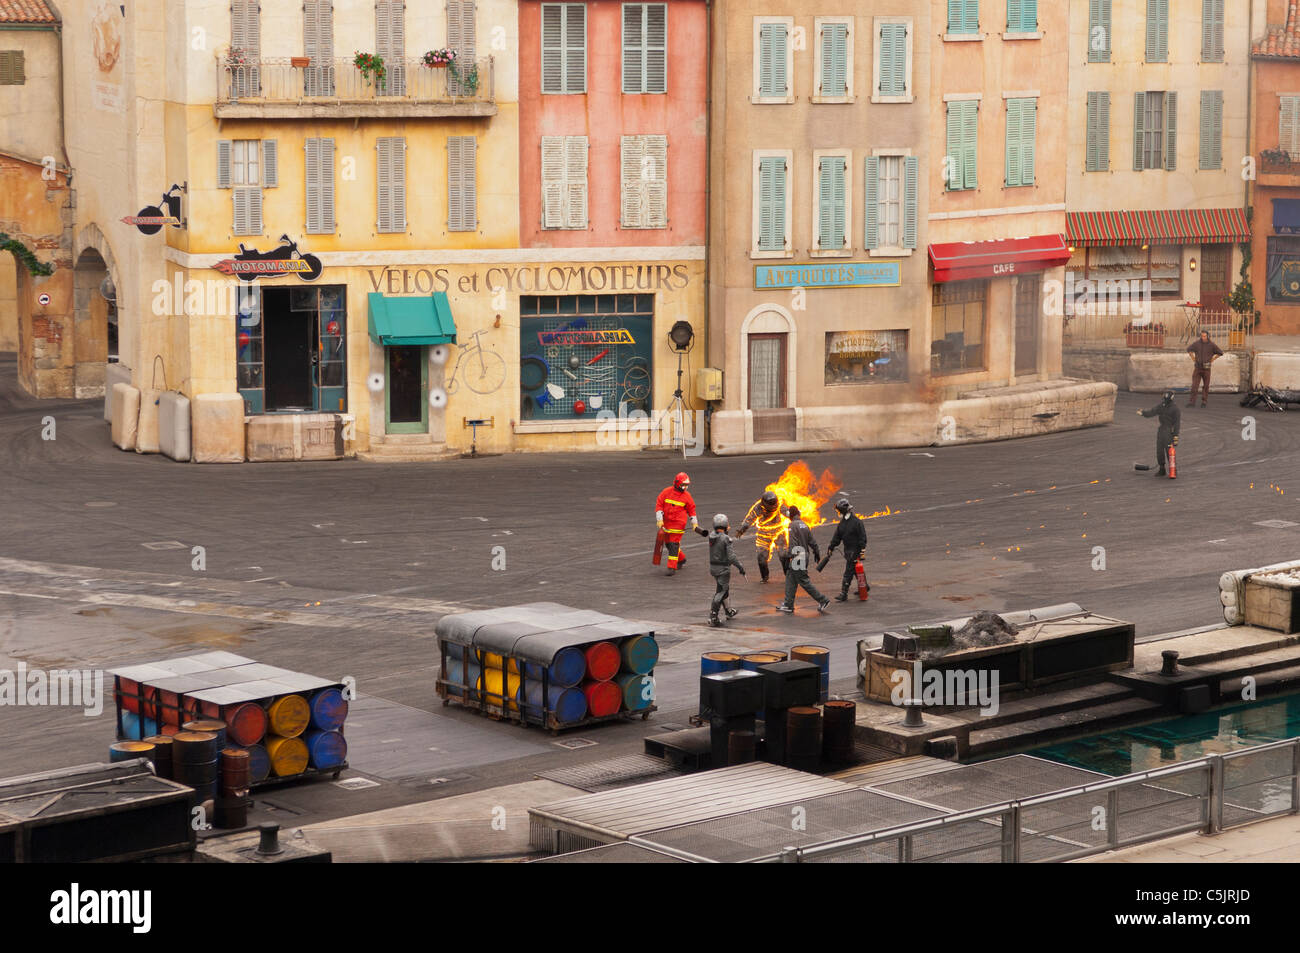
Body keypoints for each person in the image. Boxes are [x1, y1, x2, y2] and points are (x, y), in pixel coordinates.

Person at [777, 506, 830, 614]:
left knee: (803, 581)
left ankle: (823, 600)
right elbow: (812, 541)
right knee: (790, 577)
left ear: (790, 514)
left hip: (798, 556)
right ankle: (788, 604)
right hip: (804, 554)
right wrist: (816, 552)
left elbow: (793, 543)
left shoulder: (792, 525)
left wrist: (788, 555)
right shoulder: (804, 525)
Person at [696, 514, 746, 627]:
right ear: (725, 525)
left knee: (724, 589)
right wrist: (740, 567)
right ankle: (713, 616)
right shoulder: (725, 539)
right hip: (723, 569)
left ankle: (729, 611)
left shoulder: (712, 536)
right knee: (721, 592)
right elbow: (731, 557)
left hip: (713, 567)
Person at [736, 490, 788, 582]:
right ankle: (765, 576)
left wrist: (796, 517)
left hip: (779, 531)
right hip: (764, 533)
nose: (773, 506)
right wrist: (742, 530)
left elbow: (788, 513)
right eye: (770, 504)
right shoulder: (758, 508)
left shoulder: (780, 505)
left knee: (783, 555)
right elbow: (749, 519)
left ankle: (788, 575)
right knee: (761, 557)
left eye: (774, 504)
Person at [825, 498, 868, 602]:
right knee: (855, 570)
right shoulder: (843, 524)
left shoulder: (856, 522)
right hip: (848, 551)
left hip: (854, 551)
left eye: (838, 511)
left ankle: (844, 593)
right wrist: (831, 547)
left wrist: (862, 551)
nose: (838, 513)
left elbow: (863, 538)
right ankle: (865, 587)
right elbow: (837, 538)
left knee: (848, 572)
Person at [654, 471, 697, 575]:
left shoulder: (687, 496)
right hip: (666, 523)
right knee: (669, 544)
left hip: (678, 524)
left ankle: (671, 567)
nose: (685, 487)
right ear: (677, 483)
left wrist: (694, 523)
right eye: (683, 485)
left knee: (673, 544)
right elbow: (659, 505)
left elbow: (691, 510)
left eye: (687, 485)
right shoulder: (666, 492)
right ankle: (681, 559)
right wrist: (659, 519)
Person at [1137, 390, 1181, 476]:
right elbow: (1152, 412)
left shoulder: (1175, 409)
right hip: (1161, 430)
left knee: (1169, 452)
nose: (1164, 401)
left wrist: (1175, 436)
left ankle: (1173, 470)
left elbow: (1177, 424)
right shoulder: (1161, 406)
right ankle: (1162, 469)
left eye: (1166, 399)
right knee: (1159, 451)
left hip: (1169, 432)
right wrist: (1143, 413)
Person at [1186, 331, 1224, 407]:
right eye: (1202, 336)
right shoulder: (1196, 344)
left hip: (1207, 369)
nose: (1203, 338)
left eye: (1204, 336)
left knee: (1206, 386)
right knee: (1194, 386)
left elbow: (1220, 353)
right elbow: (1188, 349)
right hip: (1197, 368)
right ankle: (1192, 402)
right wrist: (1193, 358)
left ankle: (1204, 402)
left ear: (1208, 336)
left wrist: (1212, 359)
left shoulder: (1212, 345)